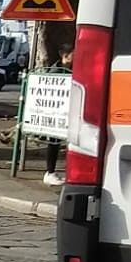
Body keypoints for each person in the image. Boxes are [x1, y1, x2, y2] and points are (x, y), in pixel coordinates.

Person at [43, 45, 74, 185]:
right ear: (64, 55)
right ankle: (50, 172)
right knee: (54, 140)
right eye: (73, 54)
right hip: (56, 113)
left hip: (69, 111)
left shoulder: (73, 69)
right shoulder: (56, 71)